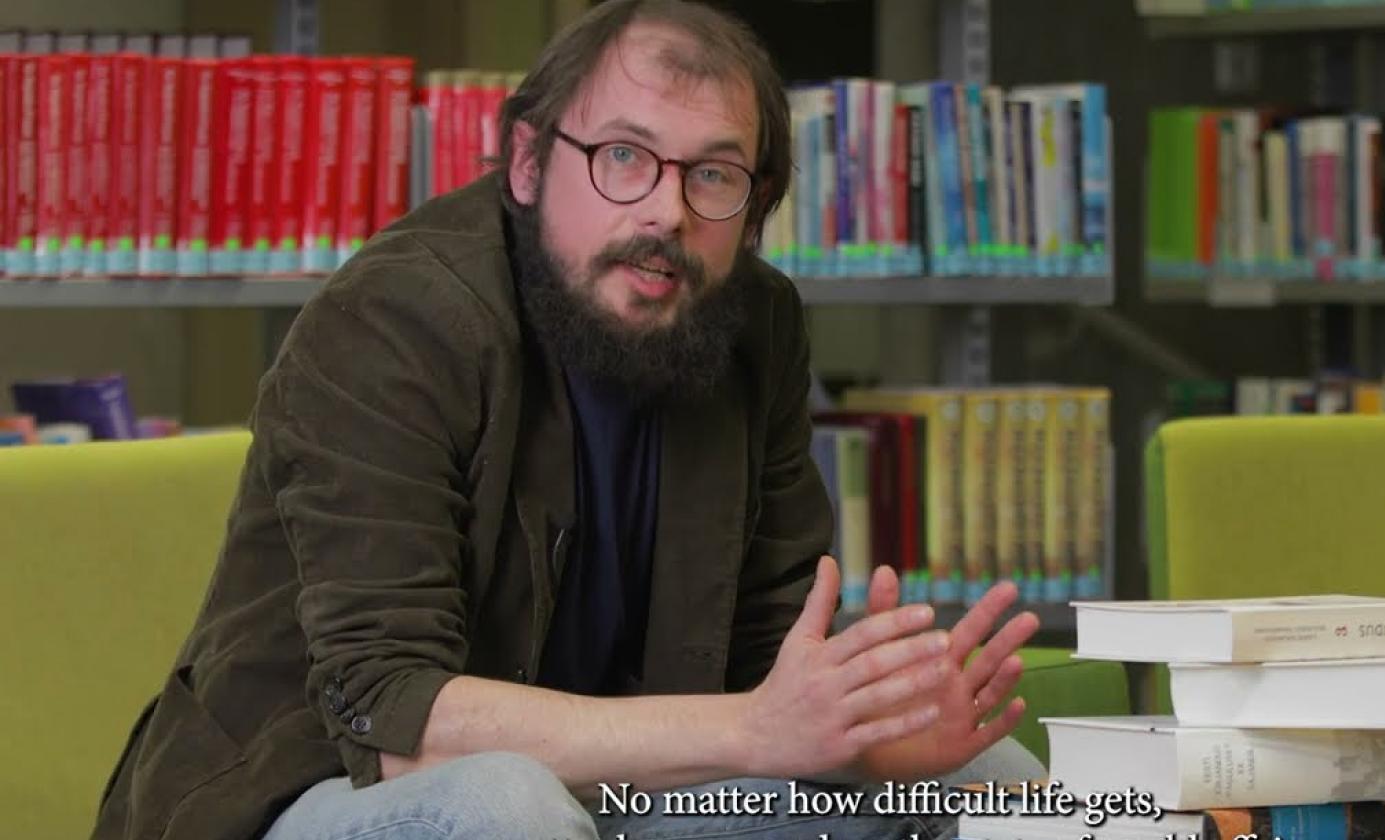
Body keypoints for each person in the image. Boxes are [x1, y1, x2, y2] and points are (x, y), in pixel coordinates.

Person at [90, 1, 1045, 839]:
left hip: (617, 791)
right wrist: (757, 729)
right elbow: (394, 721)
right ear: (528, 162)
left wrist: (869, 722)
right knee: (509, 806)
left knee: (990, 780)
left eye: (714, 176)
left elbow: (768, 658)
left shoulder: (755, 326)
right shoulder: (392, 319)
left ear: (755, 208)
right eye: (624, 157)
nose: (667, 212)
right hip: (322, 794)